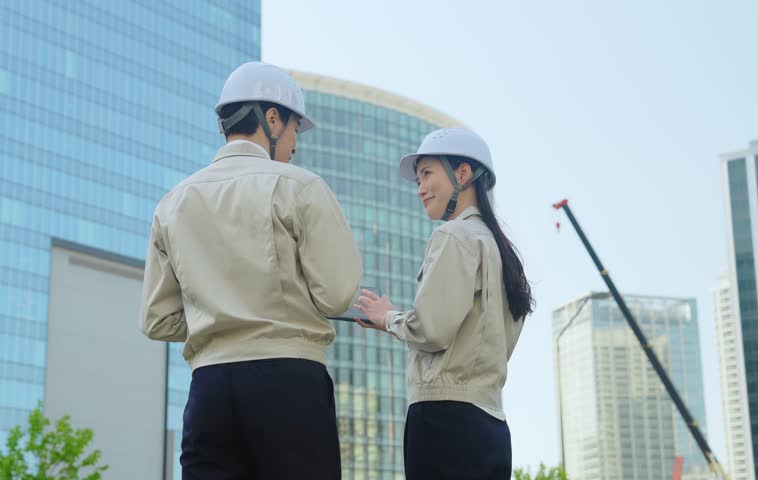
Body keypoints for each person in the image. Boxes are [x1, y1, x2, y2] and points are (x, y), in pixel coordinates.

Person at [140, 61, 361, 480]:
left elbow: (156, 320)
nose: (296, 142)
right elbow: (336, 295)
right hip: (289, 381)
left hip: (210, 392)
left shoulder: (173, 203)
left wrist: (217, 312)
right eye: (295, 126)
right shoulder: (301, 187)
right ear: (272, 118)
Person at [353, 127, 534, 479]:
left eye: (427, 174)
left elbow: (432, 331)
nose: (419, 188)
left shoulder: (454, 235)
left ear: (462, 174)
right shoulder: (501, 251)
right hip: (491, 424)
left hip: (444, 421)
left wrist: (389, 317)